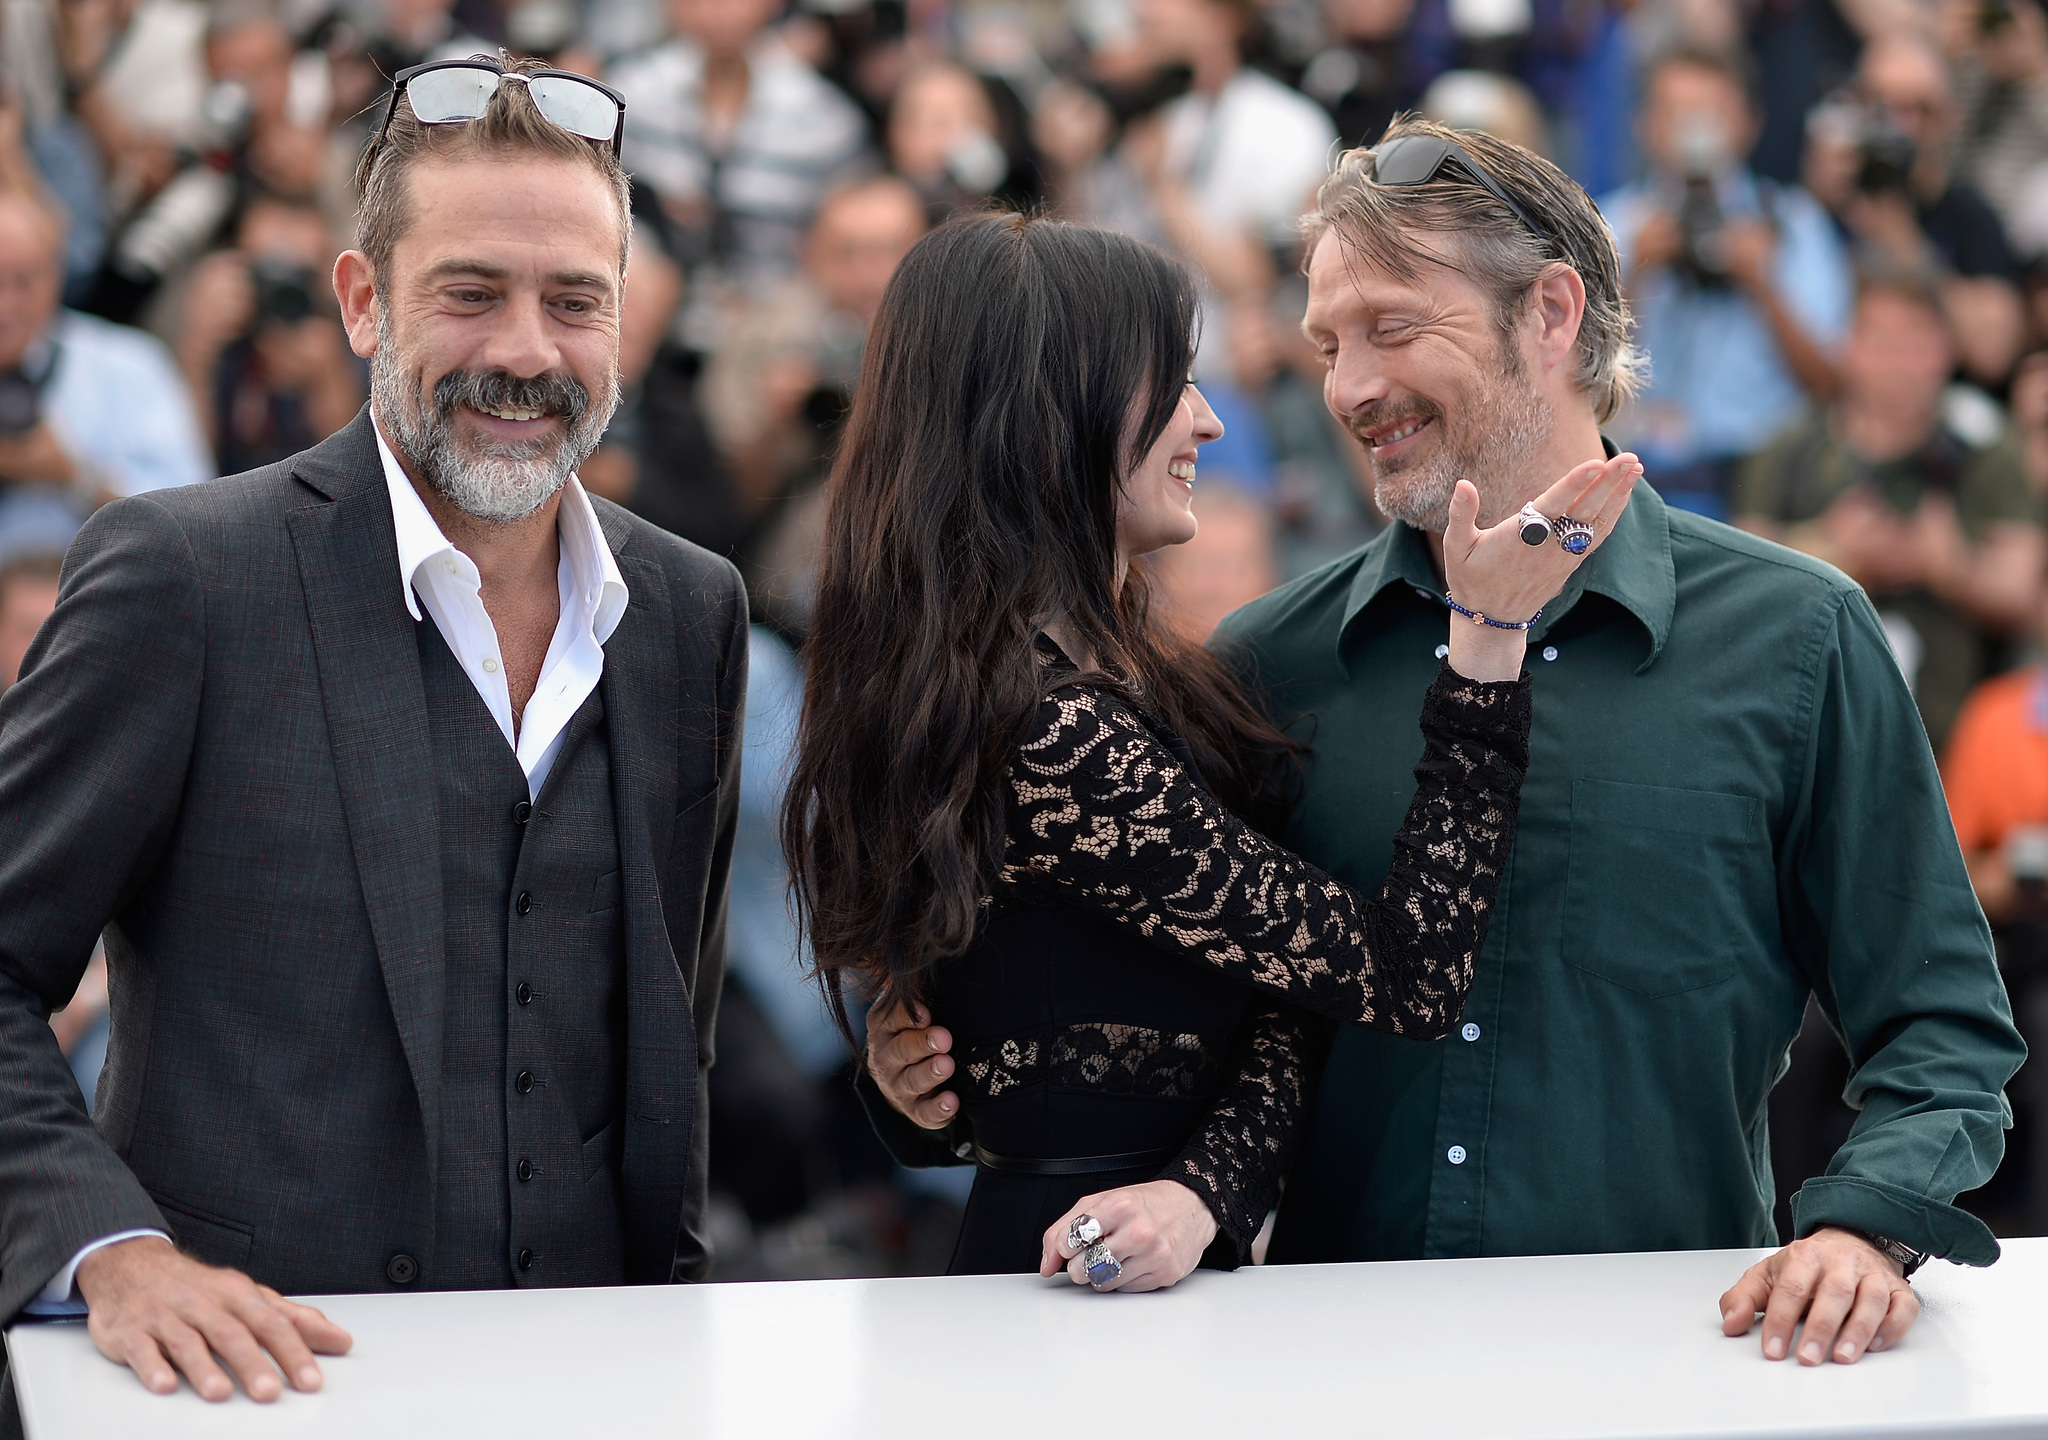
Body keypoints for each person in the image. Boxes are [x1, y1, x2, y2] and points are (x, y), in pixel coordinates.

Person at [871, 119, 2025, 1365]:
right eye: (1324, 343)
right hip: (1323, 1374)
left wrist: (1861, 1229)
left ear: (1547, 313)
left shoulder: (1797, 638)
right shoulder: (1267, 663)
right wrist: (926, 1079)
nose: (1347, 387)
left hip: (1675, 1366)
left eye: (1390, 327)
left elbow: (1939, 1027)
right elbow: (1152, 1014)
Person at [0, 55, 746, 1419]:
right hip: (253, 1396)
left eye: (574, 300)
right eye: (471, 292)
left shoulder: (692, 611)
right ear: (361, 301)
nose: (527, 350)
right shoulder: (184, 576)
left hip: (598, 1384)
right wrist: (110, 1252)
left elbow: (666, 1055)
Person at [796, 210, 1639, 1291]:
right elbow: (1408, 974)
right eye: (1169, 385)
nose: (1206, 423)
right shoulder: (1057, 738)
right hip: (1077, 1291)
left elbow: (1274, 997)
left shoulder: (1093, 686)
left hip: (1151, 1268)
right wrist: (1483, 647)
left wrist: (1204, 1192)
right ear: (1056, 413)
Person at [1734, 274, 2043, 752]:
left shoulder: (1985, 448)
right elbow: (1735, 582)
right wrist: (1828, 548)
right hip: (1807, 727)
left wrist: (1948, 566)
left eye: (1918, 343)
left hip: (1948, 734)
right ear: (1848, 345)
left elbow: (2021, 590)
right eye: (1884, 342)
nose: (1900, 364)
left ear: (1947, 351)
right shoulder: (1791, 451)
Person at [1601, 48, 1852, 517]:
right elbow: (1576, 377)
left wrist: (1763, 284)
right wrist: (1637, 272)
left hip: (1763, 477)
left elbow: (1831, 381)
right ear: (1646, 123)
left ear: (1748, 122)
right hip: (1637, 471)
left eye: (1710, 115)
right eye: (1676, 114)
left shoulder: (1794, 224)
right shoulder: (1609, 225)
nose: (1694, 134)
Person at [0, 187, 210, 563]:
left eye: (23, 281)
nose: (5, 305)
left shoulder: (129, 366)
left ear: (56, 275)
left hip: (91, 603)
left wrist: (70, 476)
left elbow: (193, 522)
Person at [1806, 35, 2026, 385]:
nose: (1902, 126)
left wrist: (1906, 245)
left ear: (1949, 119)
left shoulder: (1968, 215)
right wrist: (1814, 202)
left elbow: (1993, 353)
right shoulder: (1819, 205)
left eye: (1921, 109)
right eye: (1883, 106)